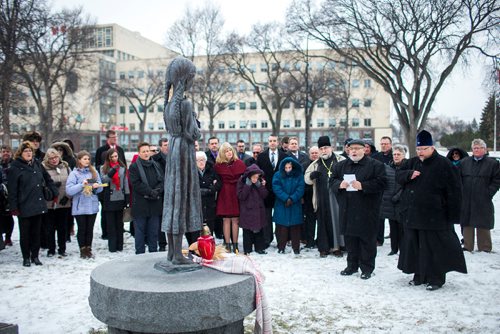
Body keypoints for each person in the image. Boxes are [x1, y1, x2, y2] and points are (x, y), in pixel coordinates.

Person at [396, 130, 467, 291]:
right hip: (414, 215)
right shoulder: (412, 162)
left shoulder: (444, 164)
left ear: (432, 148)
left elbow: (455, 191)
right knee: (416, 247)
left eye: (424, 149)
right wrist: (408, 175)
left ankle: (436, 278)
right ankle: (419, 274)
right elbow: (398, 176)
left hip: (436, 216)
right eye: (418, 149)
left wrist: (453, 215)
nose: (421, 152)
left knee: (435, 249)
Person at [162, 56, 203, 264]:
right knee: (181, 200)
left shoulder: (169, 105)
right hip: (183, 153)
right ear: (185, 79)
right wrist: (197, 122)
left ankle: (172, 252)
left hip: (174, 151)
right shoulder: (185, 104)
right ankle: (177, 254)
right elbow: (193, 134)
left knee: (173, 200)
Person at [331, 139, 386, 279]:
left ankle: (367, 268)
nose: (353, 151)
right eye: (351, 148)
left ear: (364, 149)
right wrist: (339, 184)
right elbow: (331, 181)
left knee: (367, 241)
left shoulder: (376, 165)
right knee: (350, 240)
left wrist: (363, 186)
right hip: (347, 209)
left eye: (357, 148)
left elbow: (381, 183)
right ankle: (352, 266)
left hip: (367, 209)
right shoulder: (341, 165)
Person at [8, 142, 58, 266]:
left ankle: (35, 256)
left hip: (38, 204)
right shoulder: (15, 167)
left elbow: (47, 179)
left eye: (30, 151)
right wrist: (14, 207)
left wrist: (54, 192)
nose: (29, 153)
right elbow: (12, 190)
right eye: (26, 151)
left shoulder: (37, 164)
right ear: (20, 153)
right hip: (23, 206)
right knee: (25, 234)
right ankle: (26, 258)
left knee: (36, 233)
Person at [305, 136, 345, 257]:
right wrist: (312, 175)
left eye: (326, 148)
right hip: (321, 197)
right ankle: (324, 248)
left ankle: (337, 247)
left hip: (337, 197)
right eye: (321, 148)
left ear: (331, 148)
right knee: (322, 223)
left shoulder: (340, 160)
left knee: (336, 221)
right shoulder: (316, 163)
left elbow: (349, 173)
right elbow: (306, 179)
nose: (323, 150)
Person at [459, 138, 500, 252]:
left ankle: (485, 247)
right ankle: (467, 246)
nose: (476, 150)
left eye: (479, 148)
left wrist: (489, 192)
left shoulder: (493, 163)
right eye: (474, 148)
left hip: (483, 197)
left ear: (484, 149)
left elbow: (497, 180)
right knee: (466, 221)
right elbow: (458, 179)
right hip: (467, 197)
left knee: (483, 222)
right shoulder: (464, 162)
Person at [66, 151, 103, 259]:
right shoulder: (74, 174)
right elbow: (69, 190)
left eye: (88, 159)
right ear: (79, 160)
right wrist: (81, 185)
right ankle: (83, 249)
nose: (87, 161)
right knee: (82, 228)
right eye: (84, 159)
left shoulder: (94, 172)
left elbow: (100, 187)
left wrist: (97, 187)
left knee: (89, 228)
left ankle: (89, 248)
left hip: (92, 204)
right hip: (80, 205)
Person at [130, 142, 164, 255]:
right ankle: (139, 255)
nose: (146, 153)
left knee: (153, 232)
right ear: (139, 153)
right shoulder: (134, 167)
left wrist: (157, 190)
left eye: (147, 151)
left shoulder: (156, 165)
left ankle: (153, 253)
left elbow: (162, 180)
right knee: (140, 232)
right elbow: (136, 184)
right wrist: (150, 191)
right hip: (141, 204)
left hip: (155, 204)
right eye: (143, 151)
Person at [214, 142, 247, 253]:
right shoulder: (218, 165)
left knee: (235, 220)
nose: (229, 153)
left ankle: (235, 244)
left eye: (230, 150)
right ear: (222, 153)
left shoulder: (240, 163)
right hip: (224, 193)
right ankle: (227, 245)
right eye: (226, 151)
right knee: (226, 219)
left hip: (236, 192)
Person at [95, 129, 126, 240]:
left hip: (118, 185)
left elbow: (124, 165)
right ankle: (106, 232)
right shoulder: (101, 150)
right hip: (107, 184)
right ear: (107, 138)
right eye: (112, 137)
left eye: (116, 137)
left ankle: (119, 230)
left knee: (119, 211)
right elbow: (98, 166)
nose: (114, 139)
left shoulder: (120, 150)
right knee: (106, 210)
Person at [257, 134, 287, 248]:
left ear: (278, 142)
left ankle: (281, 240)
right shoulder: (261, 156)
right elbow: (258, 173)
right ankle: (267, 239)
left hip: (280, 191)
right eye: (270, 141)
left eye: (274, 141)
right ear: (268, 142)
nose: (272, 143)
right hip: (266, 191)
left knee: (279, 216)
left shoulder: (284, 156)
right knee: (267, 217)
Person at [42, 148, 72, 257]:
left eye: (55, 157)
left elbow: (71, 183)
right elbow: (42, 184)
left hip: (64, 202)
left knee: (62, 227)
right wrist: (51, 188)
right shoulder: (43, 168)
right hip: (49, 203)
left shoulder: (66, 167)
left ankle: (62, 248)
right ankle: (51, 249)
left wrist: (68, 196)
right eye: (51, 158)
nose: (54, 160)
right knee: (50, 228)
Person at [100, 148, 130, 252]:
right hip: (109, 198)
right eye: (112, 157)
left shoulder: (122, 168)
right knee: (111, 225)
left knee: (119, 224)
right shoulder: (103, 168)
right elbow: (104, 180)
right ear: (108, 158)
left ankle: (119, 246)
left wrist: (127, 198)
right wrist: (112, 171)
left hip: (120, 197)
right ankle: (112, 247)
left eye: (116, 156)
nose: (114, 158)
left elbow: (125, 183)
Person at [273, 157, 305, 254]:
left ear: (293, 167)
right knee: (281, 227)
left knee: (295, 227)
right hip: (281, 204)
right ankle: (281, 247)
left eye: (289, 167)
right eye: (286, 167)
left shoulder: (299, 175)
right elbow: (276, 187)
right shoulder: (278, 175)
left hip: (295, 204)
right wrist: (285, 198)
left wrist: (292, 198)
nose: (287, 169)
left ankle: (296, 248)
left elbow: (301, 188)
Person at [237, 163, 268, 255]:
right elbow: (241, 196)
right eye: (253, 177)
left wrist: (260, 186)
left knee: (259, 231)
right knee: (247, 231)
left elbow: (265, 195)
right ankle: (247, 249)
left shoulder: (260, 182)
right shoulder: (242, 181)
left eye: (257, 177)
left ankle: (260, 248)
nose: (255, 179)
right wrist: (247, 185)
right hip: (247, 210)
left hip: (259, 210)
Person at [387, 144, 407, 255]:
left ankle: (403, 248)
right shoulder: (389, 167)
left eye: (398, 154)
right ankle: (393, 248)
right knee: (392, 226)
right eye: (394, 154)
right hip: (390, 201)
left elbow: (407, 185)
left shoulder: (407, 166)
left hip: (402, 201)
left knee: (402, 227)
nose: (396, 156)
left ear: (403, 155)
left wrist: (398, 196)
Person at [196, 151, 221, 238]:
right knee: (198, 228)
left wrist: (210, 189)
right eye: (198, 160)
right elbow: (191, 187)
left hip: (210, 203)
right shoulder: (192, 172)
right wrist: (207, 188)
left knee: (210, 227)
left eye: (203, 160)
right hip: (197, 204)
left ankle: (209, 246)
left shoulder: (212, 170)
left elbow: (218, 184)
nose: (201, 162)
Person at [153, 137, 169, 251]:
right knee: (161, 218)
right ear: (160, 147)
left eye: (169, 144)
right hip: (162, 192)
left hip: (173, 191)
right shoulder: (155, 159)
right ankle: (162, 243)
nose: (167, 147)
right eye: (165, 145)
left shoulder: (175, 157)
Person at [302, 146, 319, 248]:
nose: (314, 155)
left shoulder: (323, 164)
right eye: (312, 153)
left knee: (321, 221)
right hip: (308, 197)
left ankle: (320, 240)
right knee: (310, 221)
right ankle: (310, 241)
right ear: (309, 154)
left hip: (321, 197)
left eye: (316, 153)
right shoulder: (304, 165)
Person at [0, 145, 14, 247]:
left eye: (7, 151)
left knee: (9, 218)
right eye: (3, 151)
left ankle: (8, 237)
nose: (5, 153)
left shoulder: (14, 164)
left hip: (12, 193)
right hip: (1, 194)